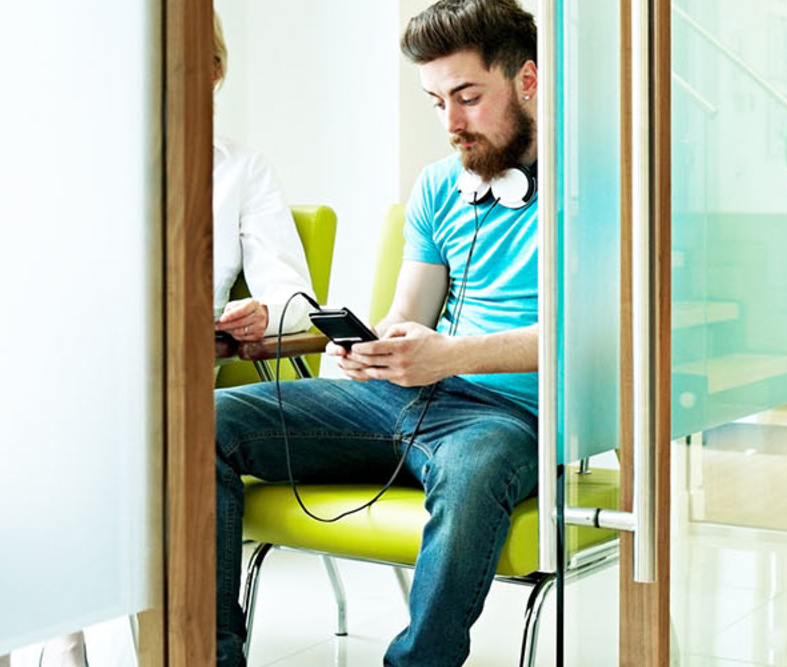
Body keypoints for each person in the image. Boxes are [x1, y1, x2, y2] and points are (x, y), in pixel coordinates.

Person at [213, 1, 541, 665]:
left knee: (473, 471)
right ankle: (211, 652)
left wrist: (450, 355)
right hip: (406, 396)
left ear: (528, 82)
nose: (451, 124)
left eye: (468, 98)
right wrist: (373, 345)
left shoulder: (594, 189)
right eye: (435, 102)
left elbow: (593, 337)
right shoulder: (436, 187)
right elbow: (409, 313)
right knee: (204, 424)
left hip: (512, 413)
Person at [31, 11, 315, 667]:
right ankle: (46, 638)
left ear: (213, 73)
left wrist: (257, 313)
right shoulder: (83, 167)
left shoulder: (241, 170)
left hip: (170, 386)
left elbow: (296, 301)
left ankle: (66, 641)